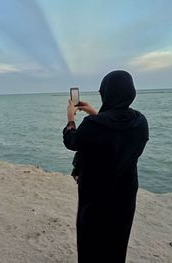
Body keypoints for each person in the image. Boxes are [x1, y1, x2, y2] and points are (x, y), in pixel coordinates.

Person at [63, 70, 149, 262]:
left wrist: (70, 118)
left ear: (106, 93)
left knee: (90, 242)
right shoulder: (140, 121)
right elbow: (116, 135)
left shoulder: (93, 125)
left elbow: (72, 141)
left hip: (96, 195)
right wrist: (96, 112)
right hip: (125, 194)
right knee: (117, 241)